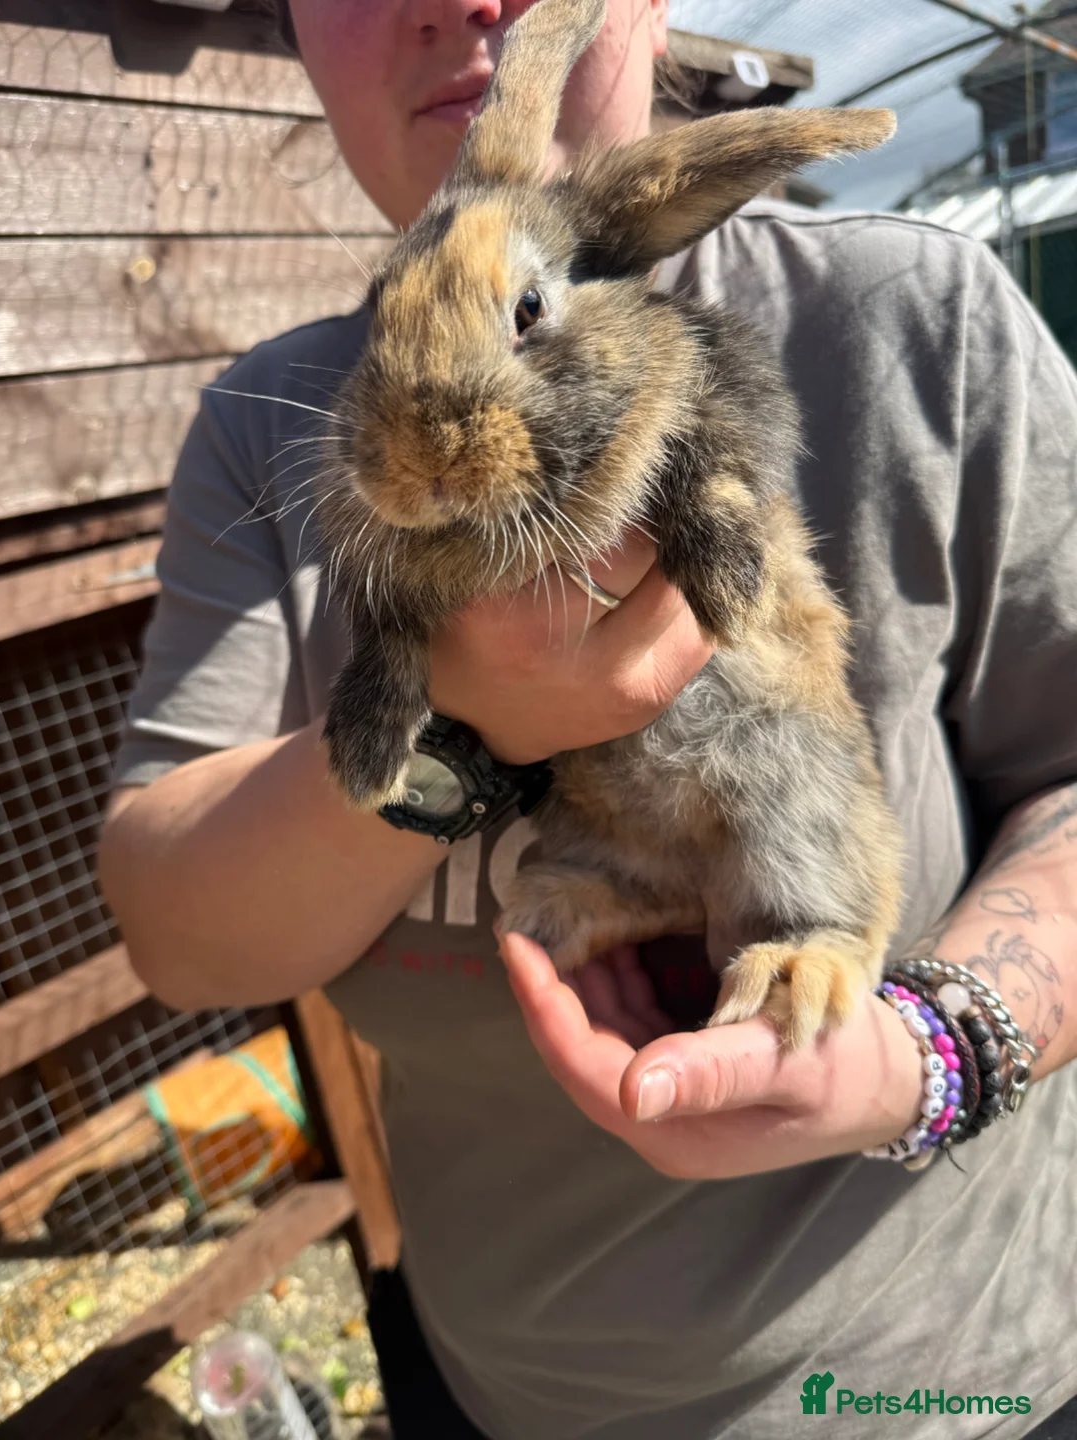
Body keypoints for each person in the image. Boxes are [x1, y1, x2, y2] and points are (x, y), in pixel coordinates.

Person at [98, 2, 1077, 1436]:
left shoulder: (918, 319)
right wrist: (463, 713)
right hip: (508, 1391)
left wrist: (930, 1055)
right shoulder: (271, 431)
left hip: (961, 1383)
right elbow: (177, 933)